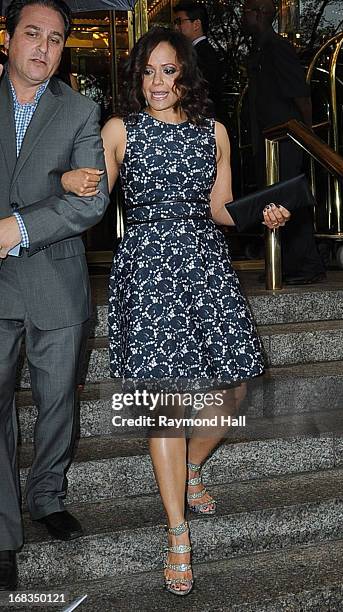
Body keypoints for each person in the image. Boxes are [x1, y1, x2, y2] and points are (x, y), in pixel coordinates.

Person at [62, 27, 289, 596]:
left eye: (168, 70)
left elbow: (221, 210)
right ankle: (178, 535)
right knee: (164, 405)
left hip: (205, 267)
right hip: (147, 270)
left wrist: (264, 216)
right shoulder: (119, 130)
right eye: (147, 72)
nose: (157, 83)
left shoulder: (212, 133)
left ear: (186, 74)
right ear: (136, 79)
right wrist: (64, 179)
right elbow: (93, 205)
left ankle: (189, 470)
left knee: (235, 389)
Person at [0, 0, 109, 591]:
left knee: (56, 402)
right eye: (32, 34)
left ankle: (47, 496)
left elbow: (90, 201)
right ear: (9, 37)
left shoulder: (82, 110)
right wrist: (53, 182)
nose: (44, 47)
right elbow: (58, 188)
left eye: (57, 38)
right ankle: (2, 528)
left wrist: (17, 224)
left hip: (58, 283)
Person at [242, 0, 326, 284]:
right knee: (275, 202)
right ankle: (285, 264)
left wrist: (308, 133)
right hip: (268, 140)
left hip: (287, 138)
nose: (243, 15)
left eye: (246, 10)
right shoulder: (261, 48)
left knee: (291, 202)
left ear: (261, 14)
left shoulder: (277, 47)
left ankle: (305, 266)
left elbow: (300, 93)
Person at [173, 1, 226, 123]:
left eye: (179, 22)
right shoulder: (196, 51)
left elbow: (200, 91)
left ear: (196, 24)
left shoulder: (203, 54)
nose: (176, 27)